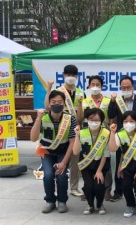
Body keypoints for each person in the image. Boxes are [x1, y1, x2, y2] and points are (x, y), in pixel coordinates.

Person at [30, 90, 77, 213]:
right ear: (49, 104)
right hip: (47, 152)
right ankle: (50, 201)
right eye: (54, 102)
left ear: (64, 104)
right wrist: (38, 119)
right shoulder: (44, 116)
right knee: (49, 175)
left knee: (61, 175)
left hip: (63, 151)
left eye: (60, 102)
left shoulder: (70, 119)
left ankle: (62, 201)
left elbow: (72, 142)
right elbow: (33, 138)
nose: (57, 104)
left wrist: (64, 163)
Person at [107, 75, 136, 202]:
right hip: (122, 138)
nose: (126, 89)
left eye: (128, 87)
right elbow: (110, 115)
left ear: (133, 87)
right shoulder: (117, 101)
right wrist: (112, 101)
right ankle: (119, 190)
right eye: (123, 87)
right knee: (120, 164)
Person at [45, 64, 85, 198]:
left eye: (73, 75)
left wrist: (80, 104)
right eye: (68, 75)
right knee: (58, 158)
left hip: (75, 128)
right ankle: (55, 186)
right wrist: (49, 89)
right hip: (59, 130)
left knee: (75, 160)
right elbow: (47, 107)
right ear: (64, 75)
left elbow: (81, 117)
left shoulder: (81, 92)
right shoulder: (58, 92)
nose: (71, 77)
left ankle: (73, 187)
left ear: (77, 76)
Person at [108, 111, 136, 218]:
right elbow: (113, 149)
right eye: (125, 121)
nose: (128, 123)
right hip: (127, 162)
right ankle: (130, 205)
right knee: (126, 185)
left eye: (131, 121)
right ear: (122, 122)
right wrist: (112, 133)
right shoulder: (120, 133)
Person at [73, 108, 111, 215]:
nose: (94, 122)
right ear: (87, 120)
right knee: (89, 185)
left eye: (96, 120)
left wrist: (99, 171)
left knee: (99, 185)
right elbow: (75, 152)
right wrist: (77, 135)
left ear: (102, 121)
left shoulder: (106, 133)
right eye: (91, 119)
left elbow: (106, 154)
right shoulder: (82, 132)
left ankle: (99, 204)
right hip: (86, 164)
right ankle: (90, 204)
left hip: (101, 164)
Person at [82, 75, 113, 201]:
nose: (95, 87)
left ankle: (107, 190)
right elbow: (81, 118)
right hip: (88, 134)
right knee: (88, 161)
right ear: (88, 86)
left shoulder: (108, 100)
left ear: (102, 86)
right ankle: (87, 189)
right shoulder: (84, 101)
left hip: (104, 134)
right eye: (92, 84)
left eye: (98, 85)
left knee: (106, 162)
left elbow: (111, 118)